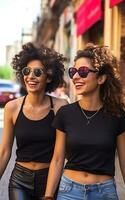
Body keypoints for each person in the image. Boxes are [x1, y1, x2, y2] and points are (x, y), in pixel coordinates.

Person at [44, 43, 125, 200]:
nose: (76, 77)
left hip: (104, 193)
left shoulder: (117, 116)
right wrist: (49, 196)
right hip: (69, 191)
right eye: (73, 72)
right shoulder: (65, 113)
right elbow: (57, 159)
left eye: (83, 71)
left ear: (101, 78)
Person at [0, 42, 68, 200]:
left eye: (38, 72)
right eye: (26, 71)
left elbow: (59, 157)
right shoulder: (12, 108)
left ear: (49, 76)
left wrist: (49, 194)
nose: (30, 76)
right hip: (19, 181)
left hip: (50, 179)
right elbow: (4, 152)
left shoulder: (60, 107)